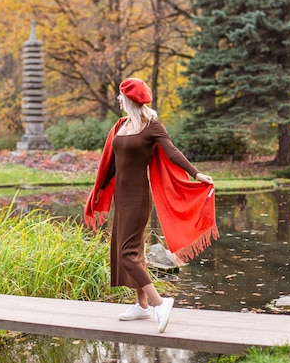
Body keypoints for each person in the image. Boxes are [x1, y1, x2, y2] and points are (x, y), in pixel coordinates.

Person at [84, 78, 218, 333]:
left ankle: (159, 303)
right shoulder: (121, 125)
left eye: (121, 96)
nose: (118, 100)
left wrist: (196, 174)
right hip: (121, 198)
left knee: (127, 254)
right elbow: (113, 161)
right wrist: (100, 188)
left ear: (131, 100)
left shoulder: (151, 126)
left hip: (137, 197)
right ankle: (142, 305)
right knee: (132, 251)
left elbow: (172, 152)